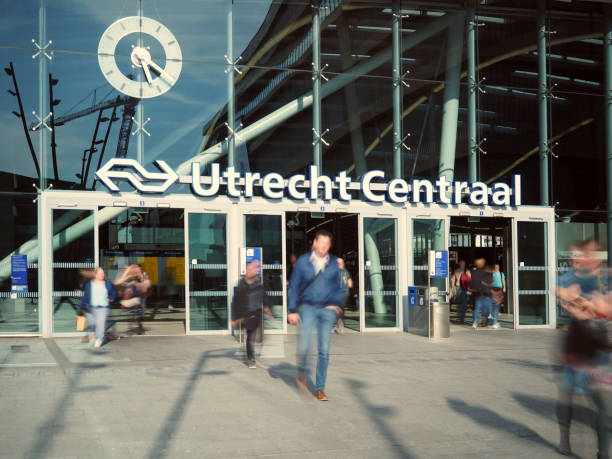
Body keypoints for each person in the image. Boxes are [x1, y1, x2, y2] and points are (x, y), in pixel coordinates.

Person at [556, 240, 611, 458]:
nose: (579, 259)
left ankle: (603, 452)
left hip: (599, 350)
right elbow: (566, 298)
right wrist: (589, 305)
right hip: (576, 348)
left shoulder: (605, 277)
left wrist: (590, 306)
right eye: (576, 255)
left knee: (602, 404)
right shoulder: (568, 277)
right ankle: (564, 439)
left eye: (584, 255)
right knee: (567, 398)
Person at [288, 229, 345, 401]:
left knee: (324, 350)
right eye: (321, 244)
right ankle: (302, 373)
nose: (323, 247)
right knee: (305, 346)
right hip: (308, 308)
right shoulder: (303, 262)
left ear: (329, 246)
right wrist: (292, 310)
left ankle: (320, 387)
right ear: (315, 243)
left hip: (326, 311)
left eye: (326, 245)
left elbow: (340, 287)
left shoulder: (334, 263)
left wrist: (337, 304)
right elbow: (294, 287)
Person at [231, 260, 275, 369]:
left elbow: (263, 296)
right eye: (250, 268)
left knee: (254, 336)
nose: (253, 270)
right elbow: (237, 300)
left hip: (256, 313)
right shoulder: (242, 283)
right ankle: (251, 358)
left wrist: (268, 311)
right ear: (246, 270)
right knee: (250, 336)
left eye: (255, 268)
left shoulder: (258, 282)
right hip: (247, 313)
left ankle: (251, 355)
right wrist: (236, 317)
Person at [79, 267, 117, 348]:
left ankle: (99, 339)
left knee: (100, 324)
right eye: (100, 273)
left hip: (103, 308)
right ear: (95, 274)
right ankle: (93, 335)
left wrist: (112, 298)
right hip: (91, 307)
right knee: (91, 323)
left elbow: (114, 291)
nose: (102, 275)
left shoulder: (107, 283)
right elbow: (86, 296)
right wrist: (81, 307)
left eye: (103, 273)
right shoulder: (89, 284)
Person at [115, 264, 151, 335]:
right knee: (135, 310)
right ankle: (137, 323)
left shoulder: (143, 274)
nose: (138, 270)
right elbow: (122, 283)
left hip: (140, 295)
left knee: (139, 308)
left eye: (139, 269)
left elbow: (146, 284)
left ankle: (139, 321)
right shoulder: (131, 275)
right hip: (133, 295)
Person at [469, 258, 493, 329]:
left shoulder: (473, 273)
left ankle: (475, 322)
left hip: (478, 293)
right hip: (486, 293)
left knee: (477, 308)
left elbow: (472, 283)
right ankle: (484, 321)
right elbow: (490, 282)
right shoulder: (488, 272)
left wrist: (473, 289)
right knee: (486, 309)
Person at [335, 257, 353, 334]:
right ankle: (339, 322)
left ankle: (339, 323)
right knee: (340, 308)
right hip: (345, 293)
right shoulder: (346, 272)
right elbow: (350, 284)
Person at [489, 263, 506, 329]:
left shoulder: (501, 273)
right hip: (494, 289)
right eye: (495, 267)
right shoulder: (492, 273)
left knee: (498, 303)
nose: (496, 268)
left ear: (499, 267)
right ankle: (494, 319)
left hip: (500, 289)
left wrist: (504, 287)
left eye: (497, 267)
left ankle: (494, 319)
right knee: (494, 303)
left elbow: (503, 280)